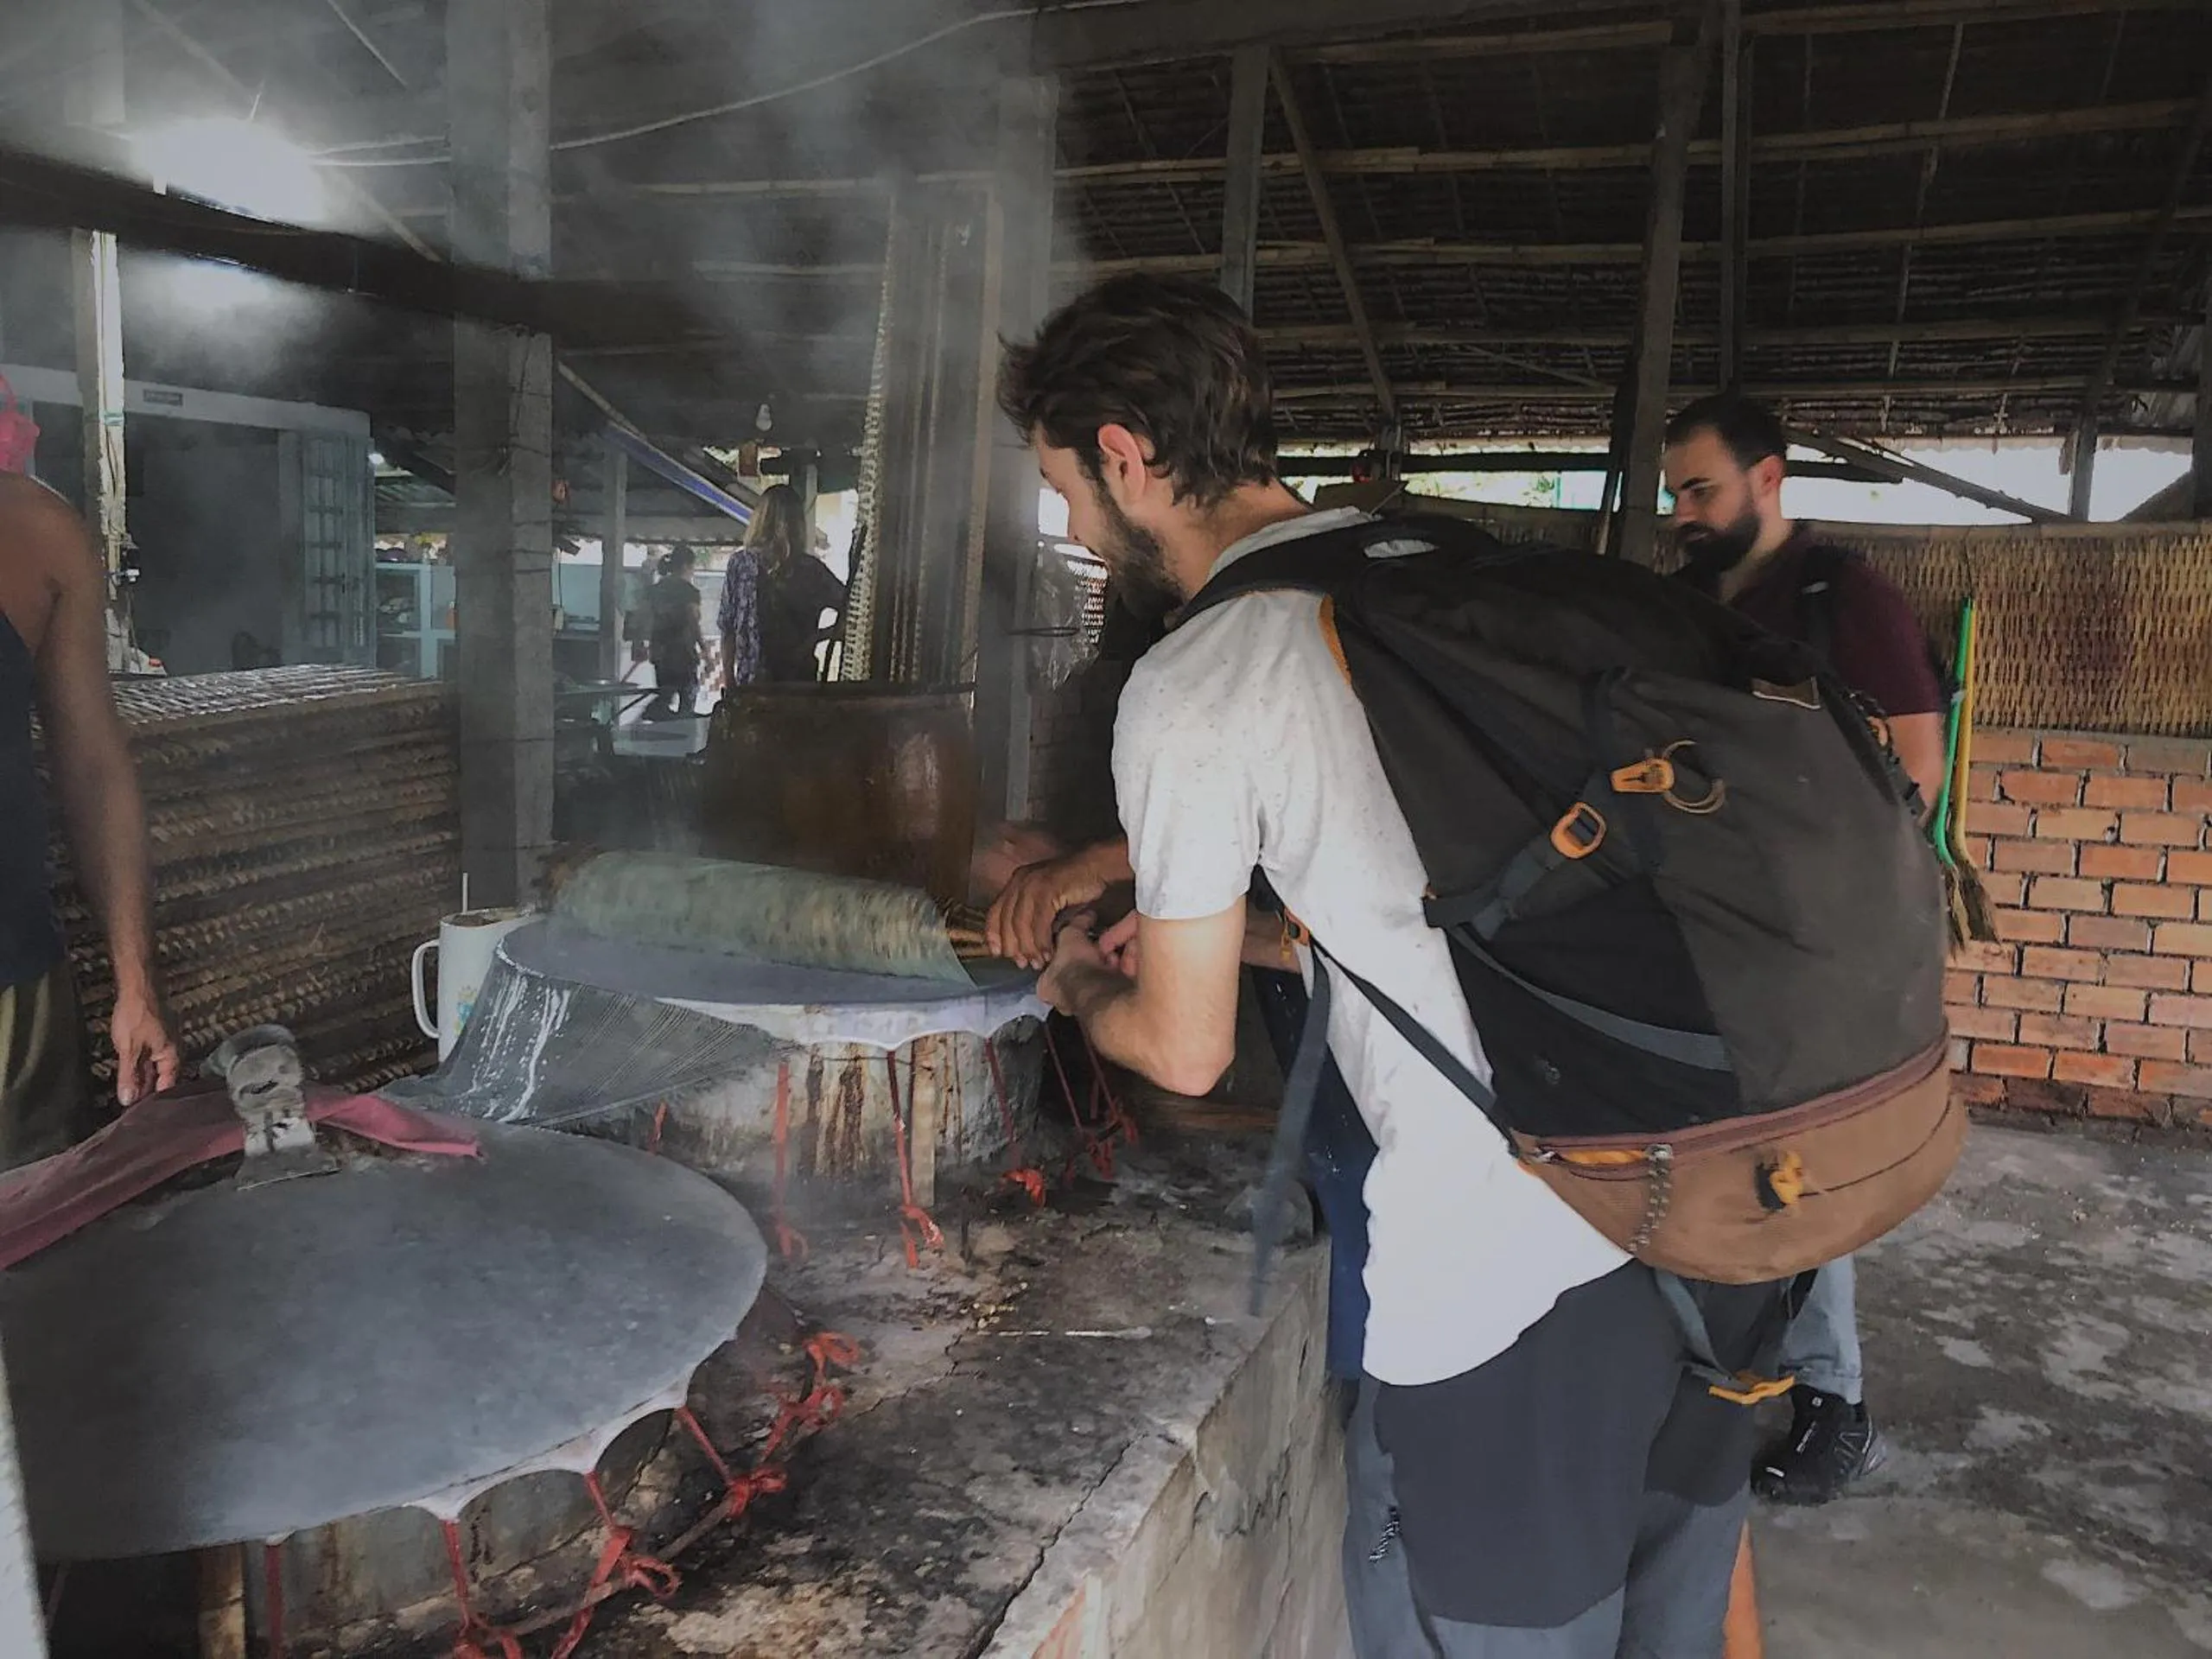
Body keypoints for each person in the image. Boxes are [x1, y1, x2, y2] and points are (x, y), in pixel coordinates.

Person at [1000, 272, 1781, 1658]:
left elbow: (1184, 1050)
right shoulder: (1452, 575)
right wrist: (1242, 936)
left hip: (1510, 1294)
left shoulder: (1201, 677)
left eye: (1062, 487)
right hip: (1717, 1231)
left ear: (1124, 454)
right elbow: (1454, 908)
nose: (1067, 523)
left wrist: (1072, 982)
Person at [1663, 391, 1948, 1508]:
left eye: (1701, 490)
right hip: (1707, 919)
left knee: (1806, 1160)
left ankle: (1837, 1405)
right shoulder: (1685, 603)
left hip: (1819, 934)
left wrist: (1812, 887)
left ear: (1768, 479)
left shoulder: (1844, 600)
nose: (1682, 512)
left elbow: (1915, 770)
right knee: (1710, 1145)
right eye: (1675, 493)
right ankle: (1716, 1360)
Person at [0, 465, 180, 1166]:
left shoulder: (38, 531)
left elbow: (95, 772)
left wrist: (137, 983)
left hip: (14, 998)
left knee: (35, 1224)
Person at [720, 485, 846, 690]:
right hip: (800, 687)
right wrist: (817, 638)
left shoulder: (740, 564)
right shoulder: (811, 570)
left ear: (759, 519)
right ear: (798, 523)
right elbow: (854, 615)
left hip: (751, 687)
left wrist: (729, 681)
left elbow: (727, 628)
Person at [644, 546, 704, 718]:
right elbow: (693, 622)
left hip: (660, 654)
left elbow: (644, 618)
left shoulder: (655, 590)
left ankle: (658, 720)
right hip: (682, 653)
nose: (693, 571)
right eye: (693, 566)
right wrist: (704, 648)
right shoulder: (689, 591)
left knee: (665, 694)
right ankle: (681, 728)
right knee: (687, 699)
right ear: (686, 566)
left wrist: (639, 643)